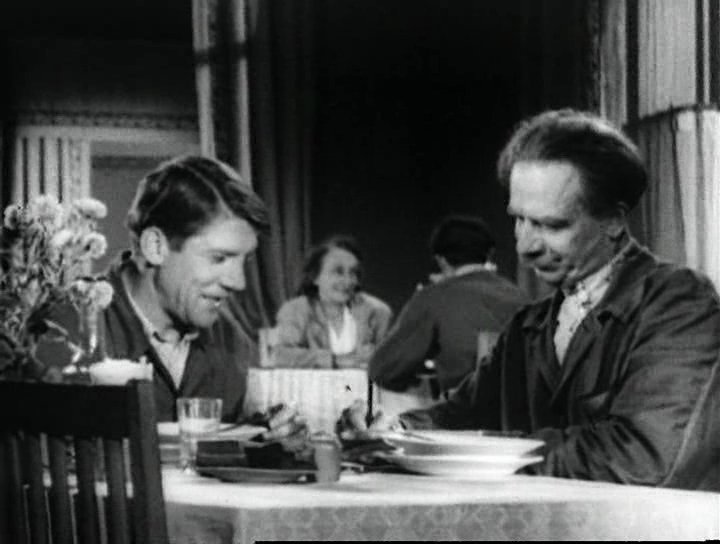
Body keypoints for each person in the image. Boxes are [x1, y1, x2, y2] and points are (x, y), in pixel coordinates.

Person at [342, 109, 720, 490]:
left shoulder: (679, 304)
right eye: (519, 220)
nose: (525, 248)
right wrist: (392, 432)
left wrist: (500, 452)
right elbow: (461, 415)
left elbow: (642, 458)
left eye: (551, 225)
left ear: (613, 221)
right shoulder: (530, 325)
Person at [82, 156, 304, 443]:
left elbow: (225, 448)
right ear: (156, 247)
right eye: (219, 258)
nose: (238, 282)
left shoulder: (231, 342)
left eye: (245, 261)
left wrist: (265, 438)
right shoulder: (72, 327)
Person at [369, 215, 528, 395]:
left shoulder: (433, 297)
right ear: (489, 253)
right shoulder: (522, 297)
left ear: (441, 260)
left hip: (467, 407)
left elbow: (383, 369)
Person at [274, 235, 393, 369]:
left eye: (353, 273)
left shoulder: (377, 312)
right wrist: (336, 360)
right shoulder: (295, 310)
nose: (348, 281)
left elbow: (390, 361)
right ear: (315, 277)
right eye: (338, 272)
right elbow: (281, 355)